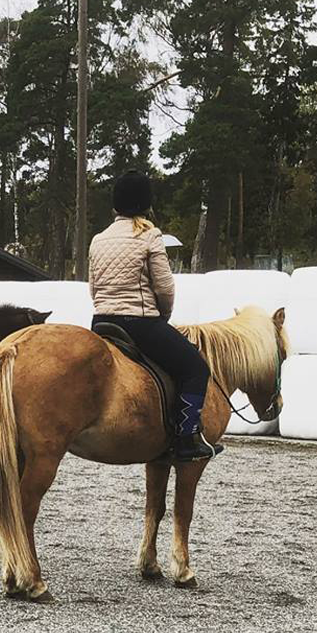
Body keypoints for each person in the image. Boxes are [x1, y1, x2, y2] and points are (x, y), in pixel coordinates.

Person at [89, 170, 219, 462]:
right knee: (195, 368)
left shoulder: (98, 239)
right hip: (140, 322)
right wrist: (164, 315)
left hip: (101, 322)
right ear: (145, 204)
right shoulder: (149, 235)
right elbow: (164, 286)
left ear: (116, 205)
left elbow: (93, 287)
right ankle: (186, 438)